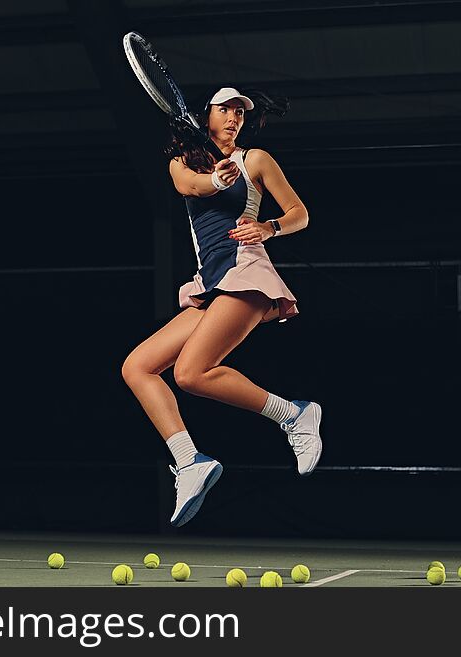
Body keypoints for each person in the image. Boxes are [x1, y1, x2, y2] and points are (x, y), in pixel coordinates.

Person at [121, 87, 322, 527]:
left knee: (190, 373)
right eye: (225, 109)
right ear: (205, 114)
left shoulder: (256, 160)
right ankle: (190, 461)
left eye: (239, 112)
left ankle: (296, 417)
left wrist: (269, 227)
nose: (234, 117)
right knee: (137, 367)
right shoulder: (184, 163)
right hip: (211, 283)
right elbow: (191, 186)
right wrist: (216, 180)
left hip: (246, 273)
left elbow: (299, 213)